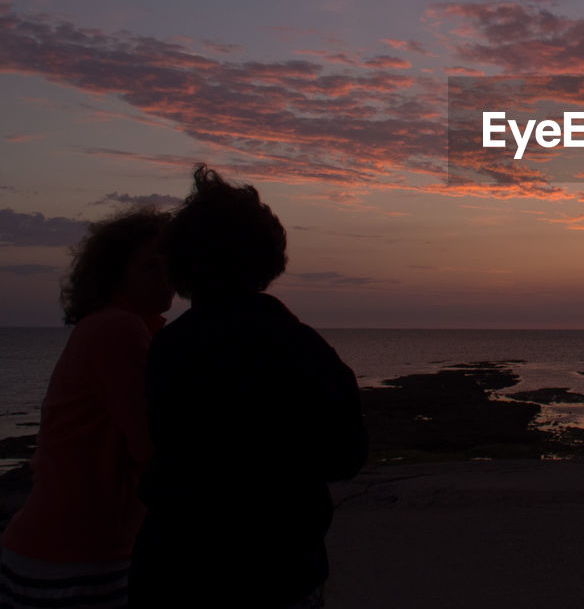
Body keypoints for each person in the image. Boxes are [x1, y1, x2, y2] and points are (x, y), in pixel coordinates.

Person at [128, 165, 366, 609]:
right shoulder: (302, 348)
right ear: (267, 257)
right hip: (277, 574)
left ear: (181, 264)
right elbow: (346, 457)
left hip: (174, 570)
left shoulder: (168, 348)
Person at [1, 206, 172, 609]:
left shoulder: (116, 327)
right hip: (73, 558)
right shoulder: (119, 329)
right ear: (115, 275)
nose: (166, 276)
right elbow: (152, 446)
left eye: (169, 263)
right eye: (151, 266)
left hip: (65, 549)